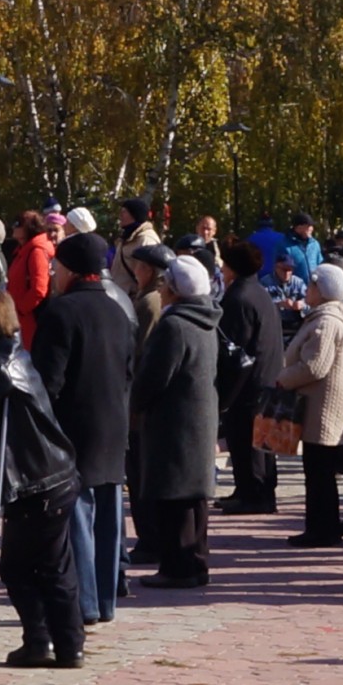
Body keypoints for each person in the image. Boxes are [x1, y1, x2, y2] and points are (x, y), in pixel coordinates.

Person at [0, 285, 82, 665]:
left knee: (21, 566)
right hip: (54, 475)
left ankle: (44, 643)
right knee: (53, 564)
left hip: (35, 483)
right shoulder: (16, 355)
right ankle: (65, 644)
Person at [32, 230, 138, 618]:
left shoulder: (62, 311)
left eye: (56, 265)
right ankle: (106, 600)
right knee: (109, 520)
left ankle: (85, 602)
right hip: (114, 423)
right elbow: (130, 371)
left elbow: (48, 381)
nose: (54, 272)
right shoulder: (118, 309)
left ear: (71, 270)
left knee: (77, 516)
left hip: (74, 427)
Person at [125, 246, 221, 588]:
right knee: (194, 497)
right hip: (198, 415)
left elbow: (153, 377)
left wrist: (135, 402)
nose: (162, 289)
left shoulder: (175, 325)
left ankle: (178, 567)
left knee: (175, 494)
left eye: (166, 284)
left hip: (174, 421)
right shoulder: (207, 318)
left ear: (176, 290)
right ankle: (196, 562)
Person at [276, 267, 343, 545]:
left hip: (323, 408)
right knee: (319, 471)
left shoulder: (328, 321)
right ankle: (321, 527)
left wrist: (282, 379)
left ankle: (322, 530)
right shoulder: (328, 317)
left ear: (321, 289)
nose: (307, 290)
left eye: (311, 285)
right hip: (323, 404)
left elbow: (314, 366)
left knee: (320, 472)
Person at [213, 245, 283, 517]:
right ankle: (247, 490)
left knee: (250, 440)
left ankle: (255, 495)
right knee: (257, 441)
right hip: (265, 377)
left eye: (225, 264)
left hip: (250, 382)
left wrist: (226, 387)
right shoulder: (258, 293)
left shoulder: (239, 298)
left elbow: (234, 346)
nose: (221, 269)